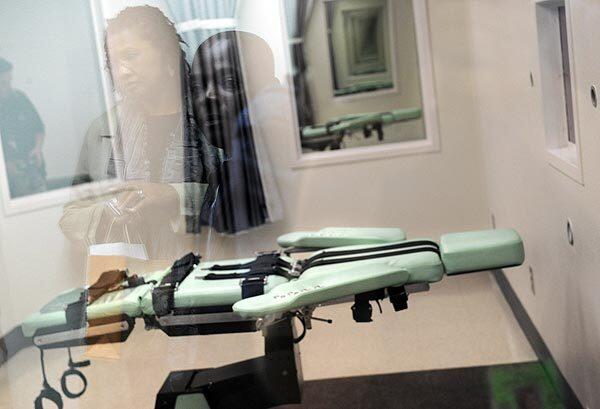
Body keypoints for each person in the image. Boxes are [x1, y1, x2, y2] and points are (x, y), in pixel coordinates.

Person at [59, 6, 220, 260]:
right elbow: (70, 216)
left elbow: (239, 198)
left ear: (168, 56)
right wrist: (108, 212)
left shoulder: (213, 116)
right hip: (131, 284)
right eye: (114, 62)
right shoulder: (103, 131)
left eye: (131, 55)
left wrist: (173, 198)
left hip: (206, 273)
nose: (121, 72)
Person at [191, 31, 283, 235]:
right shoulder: (221, 178)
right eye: (197, 87)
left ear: (269, 90)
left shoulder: (270, 177)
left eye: (229, 82)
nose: (208, 96)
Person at [0, 57, 47, 198]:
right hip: (11, 179)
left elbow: (39, 128)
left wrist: (38, 149)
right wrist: (4, 166)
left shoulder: (20, 98)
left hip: (34, 168)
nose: (8, 87)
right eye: (3, 83)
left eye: (10, 81)